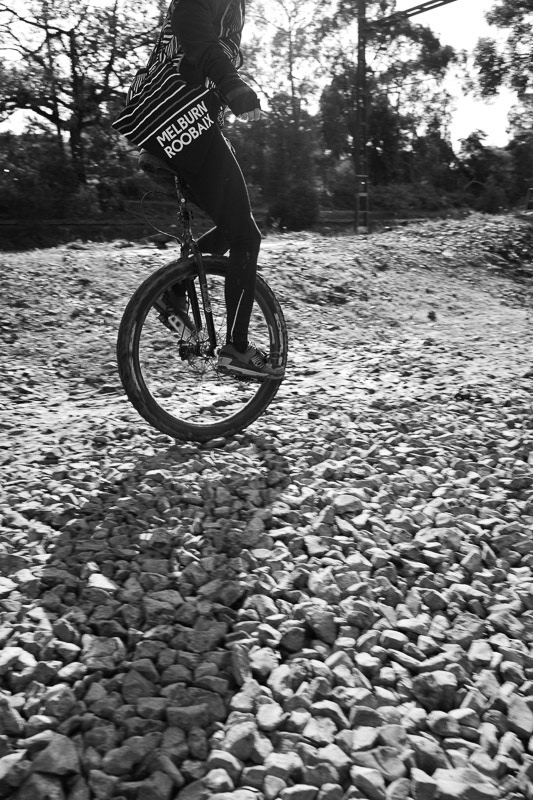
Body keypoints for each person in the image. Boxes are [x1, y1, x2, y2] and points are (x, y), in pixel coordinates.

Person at [120, 0, 283, 380]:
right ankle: (237, 349)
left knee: (233, 225)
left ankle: (174, 293)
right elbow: (197, 37)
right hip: (182, 119)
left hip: (169, 129)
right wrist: (232, 84)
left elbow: (200, 50)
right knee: (245, 236)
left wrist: (222, 91)